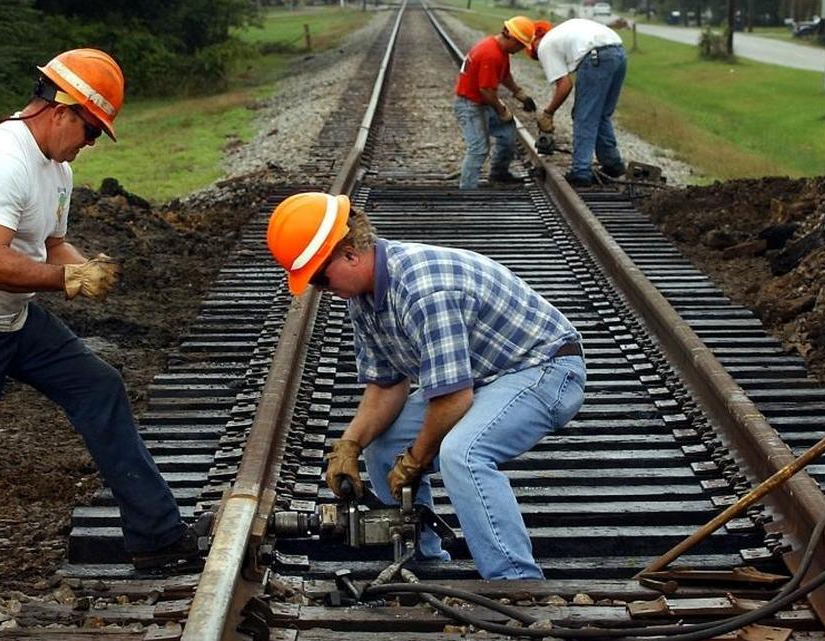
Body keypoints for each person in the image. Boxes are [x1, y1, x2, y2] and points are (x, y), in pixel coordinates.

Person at [0, 48, 199, 585]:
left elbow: (51, 243)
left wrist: (85, 268)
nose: (86, 147)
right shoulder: (2, 160)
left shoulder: (54, 169)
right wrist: (67, 280)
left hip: (10, 318)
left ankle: (158, 539)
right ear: (62, 110)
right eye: (88, 132)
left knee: (99, 386)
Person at [265, 192, 587, 580]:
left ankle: (515, 580)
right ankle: (424, 562)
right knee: (384, 447)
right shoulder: (364, 301)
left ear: (349, 253)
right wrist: (349, 444)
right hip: (484, 377)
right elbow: (387, 387)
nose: (320, 289)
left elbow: (453, 399)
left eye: (319, 276)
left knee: (462, 453)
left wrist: (417, 458)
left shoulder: (422, 290)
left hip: (544, 370)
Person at [529, 18, 628, 187]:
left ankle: (581, 172)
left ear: (535, 43)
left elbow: (565, 85)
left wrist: (548, 113)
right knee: (602, 114)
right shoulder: (565, 32)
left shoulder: (544, 45)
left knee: (584, 116)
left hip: (596, 57)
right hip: (619, 52)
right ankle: (613, 164)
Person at [453, 16, 541, 189]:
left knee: (507, 132)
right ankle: (467, 190)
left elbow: (504, 75)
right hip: (470, 105)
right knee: (478, 148)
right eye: (520, 45)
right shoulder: (490, 54)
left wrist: (519, 93)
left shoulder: (500, 50)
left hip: (482, 103)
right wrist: (502, 111)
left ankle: (499, 174)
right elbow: (486, 91)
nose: (520, 49)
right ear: (511, 38)